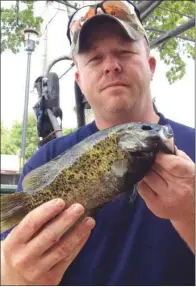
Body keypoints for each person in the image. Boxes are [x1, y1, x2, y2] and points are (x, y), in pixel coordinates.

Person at [1, 1, 195, 285]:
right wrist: (11, 277)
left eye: (124, 52)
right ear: (79, 81)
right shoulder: (45, 160)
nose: (111, 67)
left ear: (150, 66)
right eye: (94, 59)